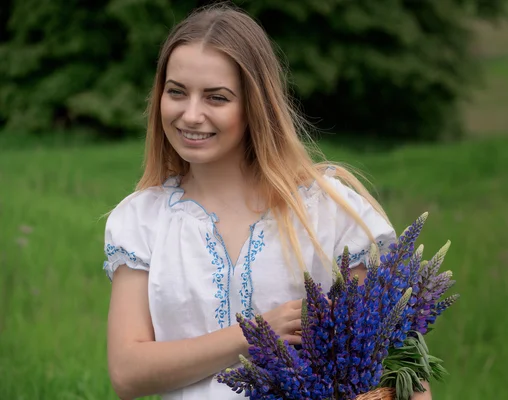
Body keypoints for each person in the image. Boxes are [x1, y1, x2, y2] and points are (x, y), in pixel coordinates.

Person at [102, 3, 432, 400]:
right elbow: (127, 372)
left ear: (255, 104)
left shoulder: (329, 213)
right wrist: (256, 335)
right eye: (176, 92)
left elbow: (399, 371)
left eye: (216, 98)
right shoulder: (141, 220)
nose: (191, 114)